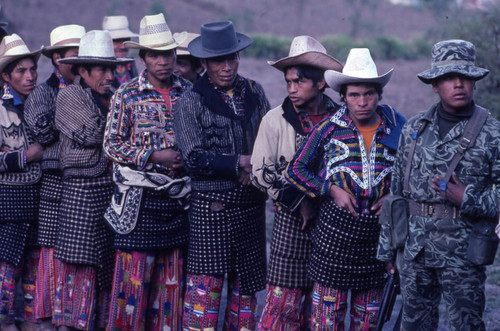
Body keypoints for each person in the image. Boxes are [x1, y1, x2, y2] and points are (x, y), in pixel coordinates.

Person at [377, 39, 500, 331]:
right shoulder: (414, 129)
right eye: (448, 78)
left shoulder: (493, 133)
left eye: (465, 77)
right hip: (415, 250)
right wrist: (388, 251)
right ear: (435, 85)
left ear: (474, 82)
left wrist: (466, 196)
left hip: (464, 252)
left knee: (465, 325)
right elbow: (396, 195)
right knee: (414, 325)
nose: (458, 84)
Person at [285, 48, 406, 330]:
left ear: (378, 94)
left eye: (369, 94)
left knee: (369, 320)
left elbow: (412, 174)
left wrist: (393, 195)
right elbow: (295, 170)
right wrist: (330, 189)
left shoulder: (397, 127)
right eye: (354, 95)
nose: (362, 102)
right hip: (333, 239)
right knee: (327, 320)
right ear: (344, 96)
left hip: (377, 240)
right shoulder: (328, 128)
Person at [174, 20, 271, 331]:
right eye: (219, 61)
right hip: (210, 212)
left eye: (232, 59)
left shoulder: (254, 92)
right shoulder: (191, 100)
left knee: (245, 299)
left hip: (250, 208)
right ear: (205, 63)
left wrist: (254, 167)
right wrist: (238, 163)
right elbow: (192, 158)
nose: (227, 67)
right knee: (205, 295)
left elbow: (269, 142)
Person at [103, 13, 192, 331]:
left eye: (167, 54)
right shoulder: (126, 95)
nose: (163, 61)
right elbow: (111, 145)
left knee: (170, 287)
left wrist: (185, 159)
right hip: (138, 202)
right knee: (132, 285)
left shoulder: (189, 93)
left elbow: (198, 140)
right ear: (143, 58)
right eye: (154, 54)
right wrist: (154, 155)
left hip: (178, 199)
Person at [250, 35, 343, 330]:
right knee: (283, 302)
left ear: (320, 83)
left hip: (334, 221)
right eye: (288, 81)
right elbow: (260, 172)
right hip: (290, 221)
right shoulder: (275, 119)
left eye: (299, 82)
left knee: (325, 303)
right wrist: (299, 201)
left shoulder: (341, 120)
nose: (291, 88)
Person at [53, 30, 132, 331]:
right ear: (83, 71)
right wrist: (119, 128)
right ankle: (72, 324)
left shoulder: (112, 98)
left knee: (105, 268)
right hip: (82, 194)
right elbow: (88, 133)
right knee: (80, 264)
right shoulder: (70, 96)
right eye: (102, 69)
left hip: (108, 192)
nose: (109, 75)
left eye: (112, 68)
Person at [24, 24, 85, 329]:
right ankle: (51, 317)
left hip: (84, 189)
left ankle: (74, 315)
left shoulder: (91, 93)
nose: (81, 62)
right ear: (58, 59)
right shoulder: (42, 94)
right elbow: (42, 130)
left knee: (78, 255)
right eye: (75, 56)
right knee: (51, 253)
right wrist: (74, 114)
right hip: (53, 188)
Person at [0, 33, 42, 331]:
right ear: (5, 76)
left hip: (37, 199)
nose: (29, 77)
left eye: (32, 70)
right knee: (5, 270)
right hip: (8, 202)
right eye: (20, 71)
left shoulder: (40, 105)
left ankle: (29, 323)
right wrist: (25, 156)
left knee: (33, 271)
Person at [103, 15, 138, 89]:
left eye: (126, 41)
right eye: (116, 41)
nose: (122, 46)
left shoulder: (130, 64)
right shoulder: (100, 68)